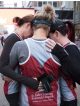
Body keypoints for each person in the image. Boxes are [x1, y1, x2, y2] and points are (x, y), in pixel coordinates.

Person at [9, 5, 61, 106]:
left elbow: (6, 76)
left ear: (33, 27)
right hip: (53, 101)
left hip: (28, 102)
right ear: (49, 28)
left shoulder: (20, 46)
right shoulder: (59, 49)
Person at [0, 15, 38, 106]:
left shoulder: (18, 38)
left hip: (15, 87)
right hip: (12, 89)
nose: (32, 34)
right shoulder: (14, 38)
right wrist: (27, 80)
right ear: (28, 25)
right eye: (33, 31)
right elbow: (2, 66)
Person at [46, 19, 80, 106]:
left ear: (56, 34)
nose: (49, 39)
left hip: (69, 100)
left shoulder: (70, 49)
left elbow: (77, 74)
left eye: (49, 36)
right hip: (63, 98)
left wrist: (59, 52)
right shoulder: (63, 48)